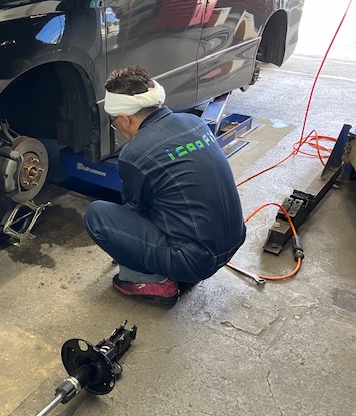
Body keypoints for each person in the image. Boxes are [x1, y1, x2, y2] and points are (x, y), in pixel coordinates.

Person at [84, 66, 246, 305]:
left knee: (97, 216)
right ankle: (182, 263)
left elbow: (135, 210)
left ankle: (154, 282)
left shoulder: (135, 153)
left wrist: (126, 245)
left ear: (125, 119)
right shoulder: (194, 122)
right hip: (233, 240)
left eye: (114, 122)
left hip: (196, 261)